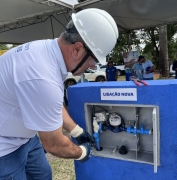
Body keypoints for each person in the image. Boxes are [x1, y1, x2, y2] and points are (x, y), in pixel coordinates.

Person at [0, 8, 119, 179]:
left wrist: (77, 131)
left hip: (23, 136)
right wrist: (82, 152)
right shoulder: (43, 77)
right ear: (77, 49)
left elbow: (52, 105)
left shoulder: (47, 52)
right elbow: (54, 144)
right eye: (93, 59)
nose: (93, 66)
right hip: (4, 147)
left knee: (43, 174)